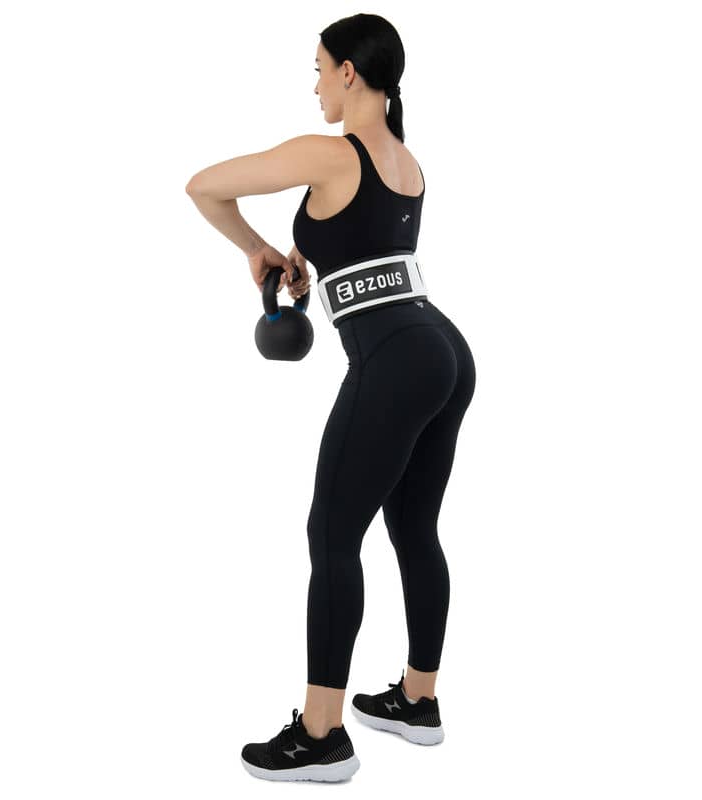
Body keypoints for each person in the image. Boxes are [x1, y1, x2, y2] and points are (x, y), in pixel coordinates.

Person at [187, 13, 476, 782]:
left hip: (396, 360)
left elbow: (204, 187)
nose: (315, 85)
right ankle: (418, 701)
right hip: (445, 351)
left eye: (318, 69)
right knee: (414, 526)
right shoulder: (406, 161)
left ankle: (321, 737)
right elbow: (366, 252)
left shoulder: (328, 153)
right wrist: (299, 260)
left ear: (350, 71)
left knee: (331, 535)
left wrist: (255, 247)